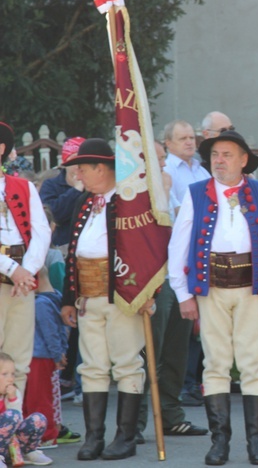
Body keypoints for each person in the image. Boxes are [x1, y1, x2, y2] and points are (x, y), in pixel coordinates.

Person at [169, 130, 258, 465]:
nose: (220, 161)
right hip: (210, 291)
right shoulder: (196, 194)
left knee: (255, 363)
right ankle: (219, 441)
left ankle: (256, 442)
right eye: (215, 155)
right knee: (215, 363)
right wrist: (183, 294)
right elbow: (177, 247)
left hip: (252, 288)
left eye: (227, 155)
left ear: (243, 160)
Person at [59, 138, 155, 461]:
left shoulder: (131, 202)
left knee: (128, 363)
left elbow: (147, 251)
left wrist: (146, 292)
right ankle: (94, 437)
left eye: (82, 169)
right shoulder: (83, 203)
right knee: (93, 365)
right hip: (88, 295)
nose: (79, 175)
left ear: (101, 168)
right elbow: (74, 252)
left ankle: (126, 437)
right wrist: (69, 298)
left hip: (123, 293)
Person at [136, 140, 207, 442]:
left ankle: (171, 415)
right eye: (159, 158)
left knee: (176, 350)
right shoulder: (132, 193)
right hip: (150, 278)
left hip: (176, 273)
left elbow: (180, 221)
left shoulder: (168, 182)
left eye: (165, 158)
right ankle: (134, 423)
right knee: (147, 352)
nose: (164, 164)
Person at [0, 121, 52, 411]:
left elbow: (42, 231)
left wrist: (28, 271)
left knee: (19, 360)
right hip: (9, 275)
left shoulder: (23, 187)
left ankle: (13, 436)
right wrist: (12, 269)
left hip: (22, 282)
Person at [163, 120, 212, 408]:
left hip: (203, 251)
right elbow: (180, 212)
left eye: (192, 137)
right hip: (181, 251)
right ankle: (182, 384)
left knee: (200, 321)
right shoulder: (167, 171)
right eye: (182, 138)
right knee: (185, 317)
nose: (190, 142)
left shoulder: (202, 170)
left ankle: (194, 381)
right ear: (168, 143)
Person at [23, 266, 73, 449]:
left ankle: (46, 435)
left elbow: (50, 332)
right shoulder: (56, 296)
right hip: (43, 355)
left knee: (40, 398)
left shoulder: (40, 303)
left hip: (41, 356)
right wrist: (61, 350)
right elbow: (61, 330)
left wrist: (57, 354)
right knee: (40, 396)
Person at [0, 352, 52, 466]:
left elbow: (18, 419)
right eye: (4, 374)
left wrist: (12, 399)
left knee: (39, 418)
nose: (10, 379)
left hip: (11, 445)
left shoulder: (13, 393)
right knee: (11, 415)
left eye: (13, 374)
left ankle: (28, 451)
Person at [39, 136, 86, 252]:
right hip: (61, 248)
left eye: (83, 159)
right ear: (65, 161)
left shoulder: (93, 186)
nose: (78, 164)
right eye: (75, 159)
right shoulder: (50, 185)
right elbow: (52, 216)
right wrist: (75, 190)